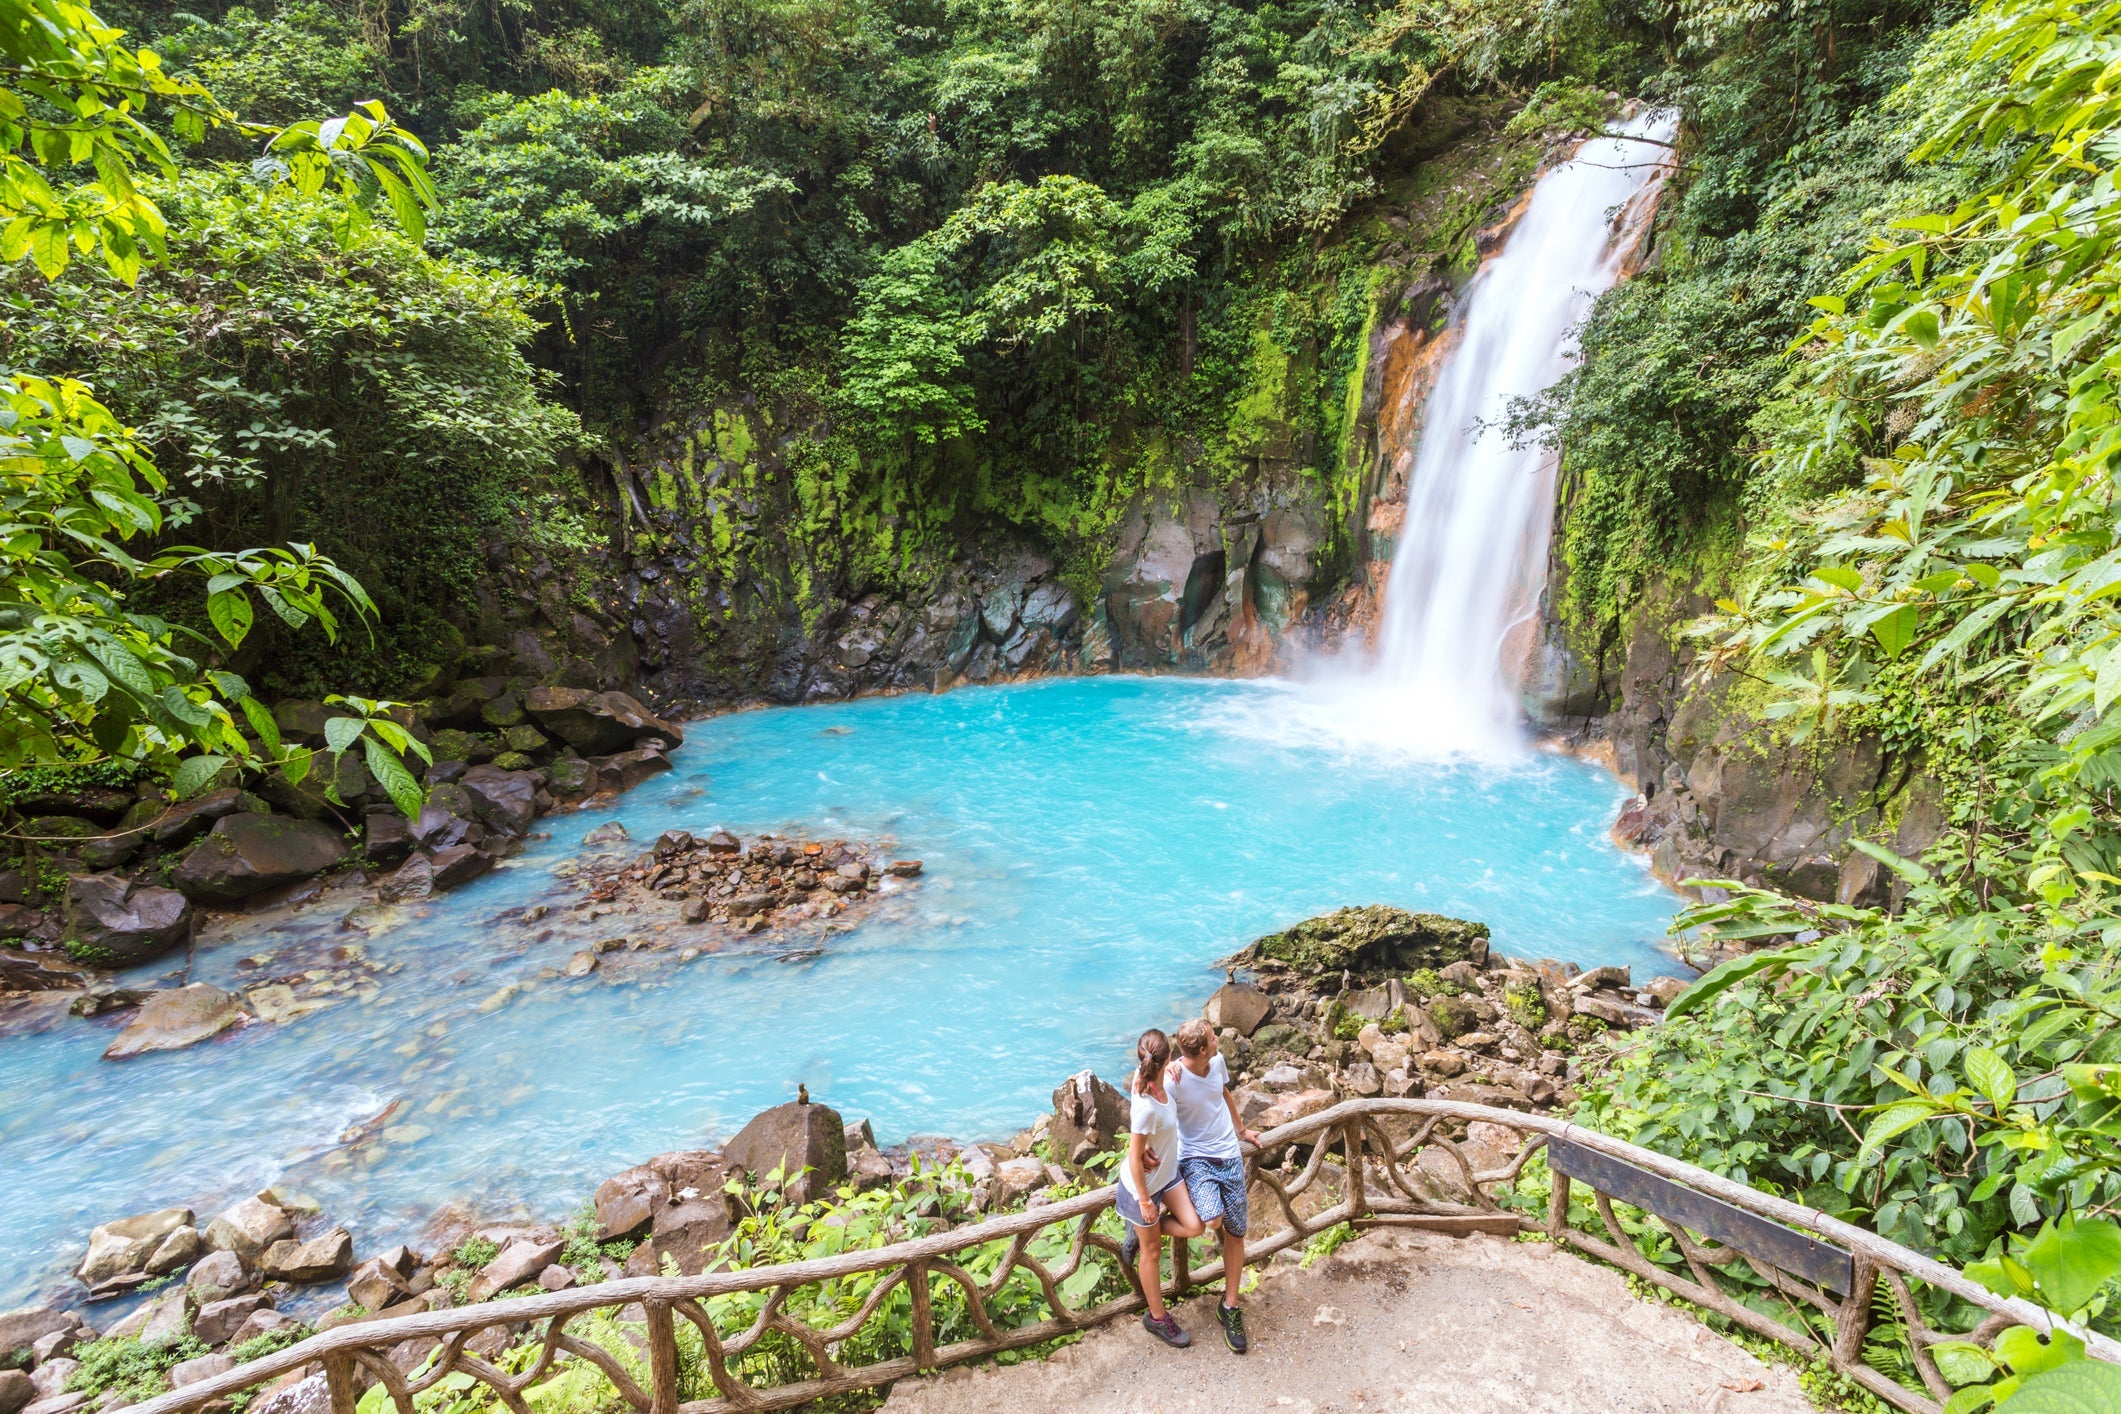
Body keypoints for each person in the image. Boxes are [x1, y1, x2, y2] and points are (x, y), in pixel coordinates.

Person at [1172, 1017, 1263, 1354]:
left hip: (1229, 1155)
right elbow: (1146, 1099)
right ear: (1198, 1049)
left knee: (1237, 1231)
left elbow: (1223, 1093)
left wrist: (1243, 1131)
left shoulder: (1218, 1062)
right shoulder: (1174, 1079)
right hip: (1195, 1158)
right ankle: (1146, 1227)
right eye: (1213, 1037)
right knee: (1210, 1220)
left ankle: (1229, 1305)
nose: (1219, 1038)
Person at [1117, 1027, 1206, 1347]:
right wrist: (1143, 1203)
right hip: (1143, 1187)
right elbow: (1133, 1155)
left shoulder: (1162, 1079)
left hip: (1167, 1174)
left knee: (1195, 1226)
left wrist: (1175, 1065)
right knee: (1151, 1252)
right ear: (1163, 1057)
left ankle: (1137, 1233)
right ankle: (1156, 1318)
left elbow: (1178, 1064)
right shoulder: (1143, 1106)